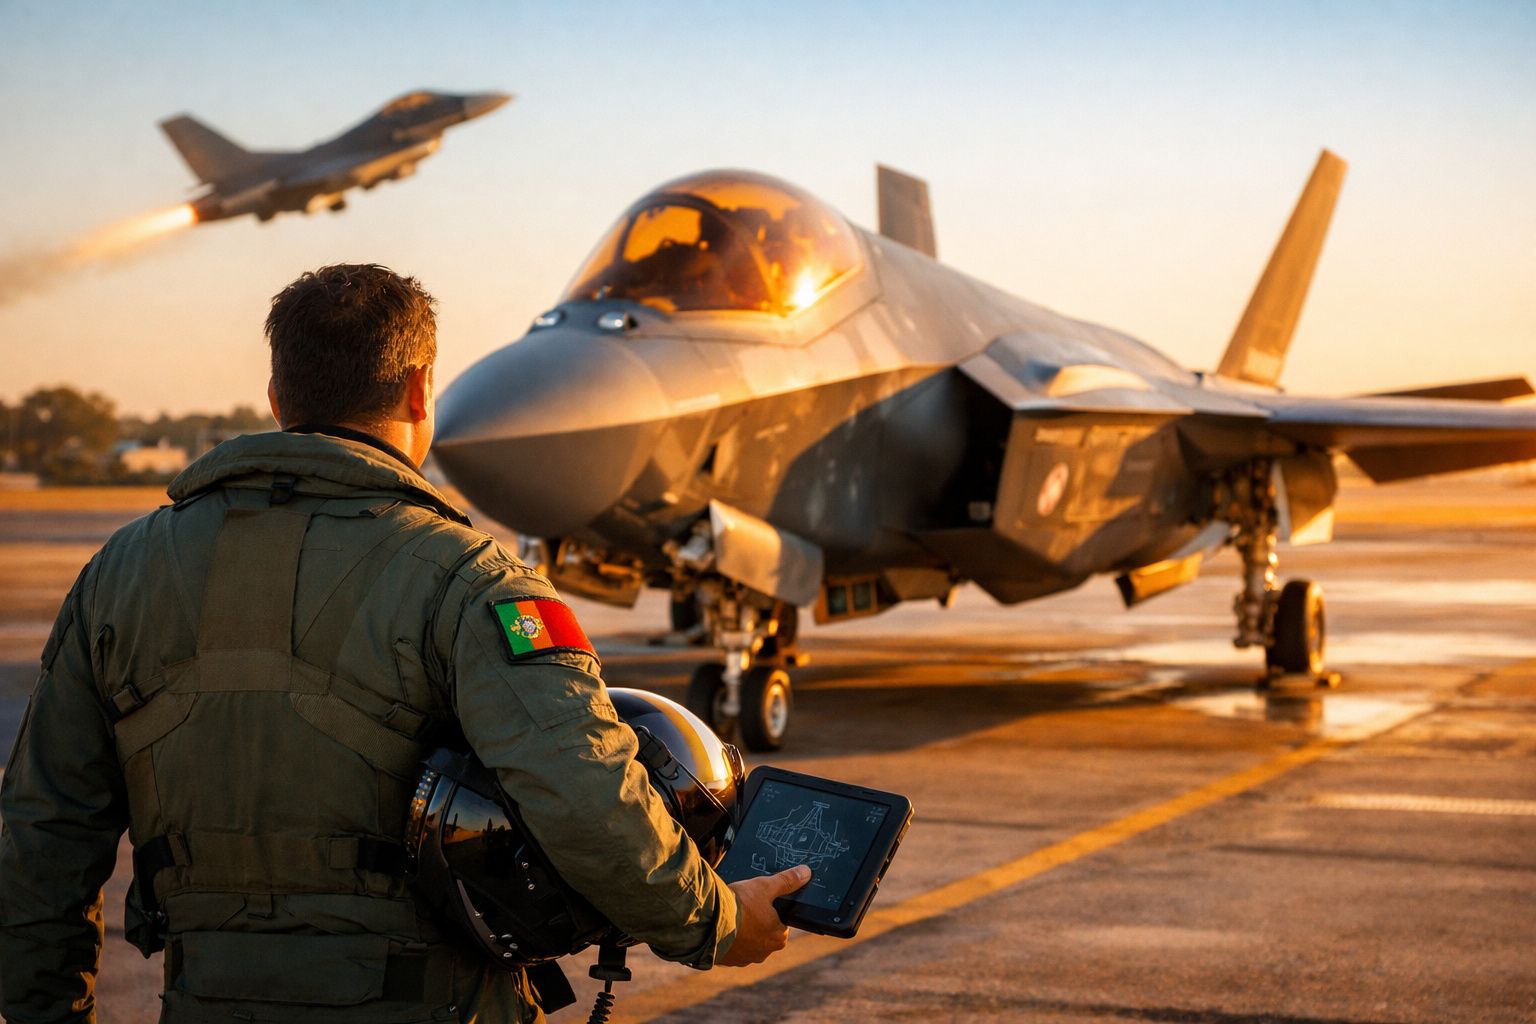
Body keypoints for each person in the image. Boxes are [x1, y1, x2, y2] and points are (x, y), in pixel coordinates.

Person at [0, 263, 809, 1023]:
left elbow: (43, 829)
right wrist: (715, 920)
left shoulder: (121, 571)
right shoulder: (473, 580)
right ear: (421, 389)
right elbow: (583, 791)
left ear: (278, 397)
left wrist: (46, 1011)